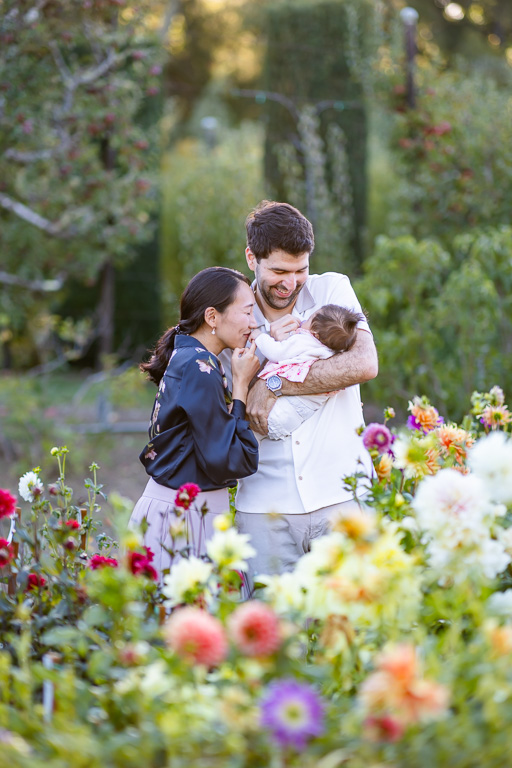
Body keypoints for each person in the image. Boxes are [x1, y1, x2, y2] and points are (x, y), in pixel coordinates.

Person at [218, 200, 378, 589]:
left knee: (349, 636)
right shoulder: (227, 313)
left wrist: (274, 385)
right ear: (250, 257)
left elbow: (364, 364)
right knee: (272, 642)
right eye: (278, 271)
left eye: (300, 270)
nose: (290, 283)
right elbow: (225, 409)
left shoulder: (332, 289)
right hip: (264, 512)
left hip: (343, 497)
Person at [130, 267, 260, 582]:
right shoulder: (200, 368)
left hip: (178, 510)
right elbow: (230, 459)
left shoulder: (191, 357)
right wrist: (241, 387)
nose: (253, 323)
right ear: (212, 317)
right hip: (185, 517)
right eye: (247, 312)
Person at [253, 304, 364, 440]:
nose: (304, 321)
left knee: (249, 431)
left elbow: (277, 352)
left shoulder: (304, 341)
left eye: (310, 318)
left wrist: (259, 337)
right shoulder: (331, 353)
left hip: (277, 412)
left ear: (314, 333)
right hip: (294, 417)